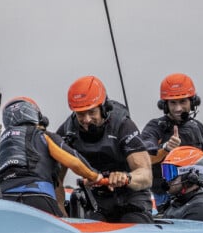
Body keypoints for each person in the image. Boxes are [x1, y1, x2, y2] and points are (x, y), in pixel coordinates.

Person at [57, 75, 153, 223]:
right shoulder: (67, 131)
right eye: (80, 114)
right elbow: (56, 179)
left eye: (92, 112)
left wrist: (126, 178)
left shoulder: (123, 125)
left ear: (104, 108)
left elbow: (146, 175)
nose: (86, 120)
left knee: (132, 222)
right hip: (97, 200)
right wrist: (60, 212)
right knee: (91, 231)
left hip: (131, 197)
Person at [0, 96, 103, 216]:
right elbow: (74, 161)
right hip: (38, 197)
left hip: (5, 200)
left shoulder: (0, 142)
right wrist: (94, 176)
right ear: (36, 115)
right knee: (64, 231)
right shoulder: (42, 136)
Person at [140, 73, 203, 210]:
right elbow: (143, 156)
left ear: (192, 102)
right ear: (165, 105)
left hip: (197, 193)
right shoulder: (155, 126)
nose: (178, 108)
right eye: (173, 103)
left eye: (183, 102)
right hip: (164, 195)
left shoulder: (198, 126)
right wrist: (165, 148)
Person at [160, 146, 203, 224]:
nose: (167, 180)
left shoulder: (202, 209)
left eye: (171, 173)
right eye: (166, 172)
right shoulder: (177, 203)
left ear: (191, 177)